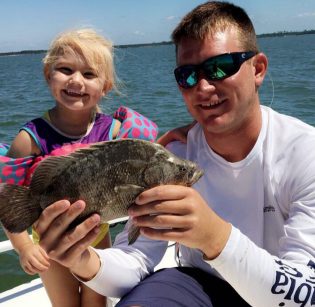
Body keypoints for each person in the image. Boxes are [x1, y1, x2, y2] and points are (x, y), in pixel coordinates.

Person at [32, 2, 315, 306]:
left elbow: (306, 293)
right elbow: (136, 258)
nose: (203, 87)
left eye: (220, 67)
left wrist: (215, 237)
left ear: (257, 69)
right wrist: (81, 258)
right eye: (188, 75)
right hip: (200, 286)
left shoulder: (304, 152)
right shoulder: (174, 155)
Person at [3, 28, 158, 307]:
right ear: (48, 75)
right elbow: (10, 200)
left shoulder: (116, 132)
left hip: (96, 236)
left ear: (105, 86)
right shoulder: (30, 139)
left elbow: (148, 162)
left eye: (89, 74)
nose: (76, 80)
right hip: (48, 242)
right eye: (65, 69)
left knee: (97, 304)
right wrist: (24, 246)